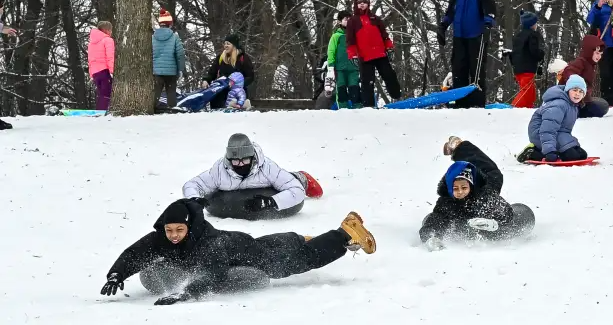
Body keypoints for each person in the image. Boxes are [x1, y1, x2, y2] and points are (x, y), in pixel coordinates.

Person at [100, 198, 375, 305]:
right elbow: (136, 252)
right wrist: (116, 274)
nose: (173, 237)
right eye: (169, 231)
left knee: (294, 262)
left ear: (189, 228)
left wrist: (185, 293)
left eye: (178, 231)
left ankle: (344, 234)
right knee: (273, 244)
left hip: (247, 253)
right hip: (243, 243)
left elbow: (215, 273)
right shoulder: (162, 237)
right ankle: (301, 237)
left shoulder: (209, 243)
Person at [419, 136, 535, 250]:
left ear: (471, 186)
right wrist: (431, 237)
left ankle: (460, 147)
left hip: (488, 182)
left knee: (490, 170)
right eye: (455, 189)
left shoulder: (484, 196)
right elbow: (437, 218)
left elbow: (506, 213)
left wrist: (492, 223)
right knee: (431, 219)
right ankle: (460, 149)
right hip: (471, 198)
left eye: (464, 188)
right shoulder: (447, 202)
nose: (460, 192)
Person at [182, 133, 323, 214]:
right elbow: (192, 185)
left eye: (244, 160)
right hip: (233, 194)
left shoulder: (266, 167)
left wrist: (271, 201)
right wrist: (194, 199)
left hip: (271, 185)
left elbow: (295, 190)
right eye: (235, 161)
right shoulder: (219, 170)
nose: (240, 164)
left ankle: (302, 177)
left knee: (291, 180)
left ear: (252, 158)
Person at [438, 0, 496, 107]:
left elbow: (490, 11)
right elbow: (450, 11)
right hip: (459, 35)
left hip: (476, 35)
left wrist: (488, 26)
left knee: (476, 70)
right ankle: (460, 102)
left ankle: (477, 103)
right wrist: (443, 26)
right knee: (458, 69)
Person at [517, 74, 590, 163]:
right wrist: (550, 151)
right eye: (574, 90)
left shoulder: (572, 106)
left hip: (557, 133)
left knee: (582, 155)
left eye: (581, 91)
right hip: (539, 133)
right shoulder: (558, 105)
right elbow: (547, 130)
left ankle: (546, 150)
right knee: (570, 156)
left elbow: (563, 130)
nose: (577, 94)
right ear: (567, 90)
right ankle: (532, 152)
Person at [345, 0, 401, 107]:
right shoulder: (353, 21)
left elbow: (384, 34)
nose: (362, 4)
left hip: (380, 53)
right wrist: (352, 55)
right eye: (360, 2)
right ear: (356, 4)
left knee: (389, 74)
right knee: (367, 82)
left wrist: (389, 48)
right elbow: (350, 40)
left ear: (368, 4)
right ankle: (368, 106)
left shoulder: (375, 18)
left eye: (365, 2)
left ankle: (397, 96)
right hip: (365, 56)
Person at [559, 33, 609, 118]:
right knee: (599, 110)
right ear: (589, 51)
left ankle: (575, 109)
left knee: (603, 105)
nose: (599, 56)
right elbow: (569, 71)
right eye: (597, 53)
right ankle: (571, 111)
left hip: (582, 99)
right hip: (571, 98)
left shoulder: (591, 64)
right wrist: (576, 83)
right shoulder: (581, 61)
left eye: (601, 54)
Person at [203, 34, 255, 110]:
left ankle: (242, 105)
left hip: (237, 92)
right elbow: (212, 72)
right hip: (221, 91)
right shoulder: (220, 57)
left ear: (234, 45)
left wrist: (238, 84)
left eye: (228, 44)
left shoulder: (243, 58)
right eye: (225, 43)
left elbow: (250, 76)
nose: (226, 46)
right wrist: (206, 80)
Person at [152, 9, 186, 112]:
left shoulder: (153, 37)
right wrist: (180, 69)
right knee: (171, 91)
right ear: (169, 24)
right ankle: (172, 107)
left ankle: (152, 107)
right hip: (171, 71)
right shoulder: (174, 37)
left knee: (156, 91)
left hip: (156, 71)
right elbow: (180, 54)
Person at [510, 10, 545, 108]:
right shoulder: (532, 35)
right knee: (526, 90)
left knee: (530, 92)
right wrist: (541, 54)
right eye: (535, 23)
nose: (536, 25)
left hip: (518, 68)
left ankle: (528, 108)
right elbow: (533, 51)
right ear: (532, 25)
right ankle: (513, 108)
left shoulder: (518, 36)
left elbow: (515, 52)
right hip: (527, 68)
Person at [327, 10, 360, 108]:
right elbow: (331, 51)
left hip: (353, 67)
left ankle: (358, 107)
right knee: (341, 88)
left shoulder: (355, 36)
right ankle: (342, 107)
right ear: (340, 22)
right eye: (346, 19)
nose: (348, 21)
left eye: (350, 19)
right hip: (339, 69)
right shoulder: (336, 36)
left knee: (354, 87)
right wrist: (331, 65)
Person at [87, 20, 115, 111]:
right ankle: (102, 111)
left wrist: (91, 74)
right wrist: (112, 71)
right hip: (104, 71)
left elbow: (90, 59)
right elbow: (110, 57)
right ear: (106, 30)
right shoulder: (108, 40)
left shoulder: (91, 43)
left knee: (101, 93)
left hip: (95, 73)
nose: (111, 32)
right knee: (106, 93)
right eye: (110, 30)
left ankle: (101, 109)